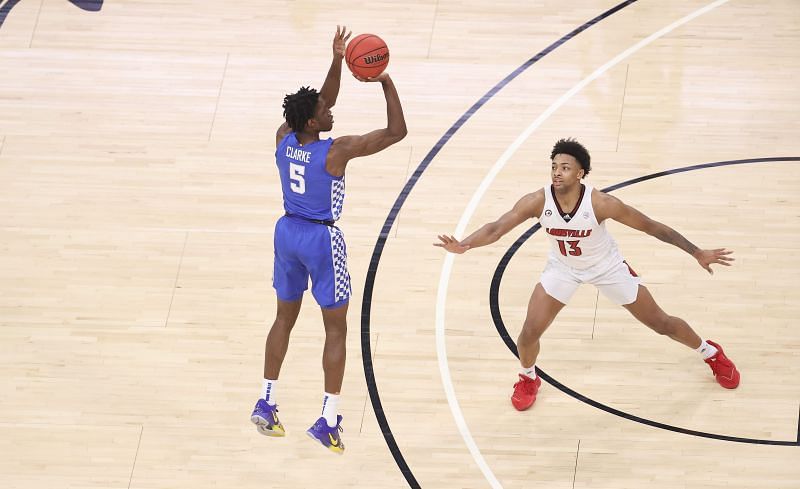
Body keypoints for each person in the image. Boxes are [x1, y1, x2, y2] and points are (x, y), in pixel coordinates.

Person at [435, 138, 739, 411]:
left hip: (607, 268)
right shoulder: (538, 200)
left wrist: (696, 251)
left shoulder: (602, 203)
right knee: (529, 332)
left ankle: (710, 352)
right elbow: (496, 228)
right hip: (563, 269)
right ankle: (528, 377)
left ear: (580, 174)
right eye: (554, 166)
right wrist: (465, 244)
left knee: (660, 323)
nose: (557, 172)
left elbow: (652, 227)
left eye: (565, 167)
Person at [250, 26, 407, 452]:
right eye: (324, 108)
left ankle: (266, 402)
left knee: (283, 318)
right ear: (314, 122)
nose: (331, 108)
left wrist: (338, 60)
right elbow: (396, 132)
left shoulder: (283, 138)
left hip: (286, 234)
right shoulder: (335, 150)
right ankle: (328, 418)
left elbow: (322, 101)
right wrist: (385, 81)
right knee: (335, 328)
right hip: (321, 240)